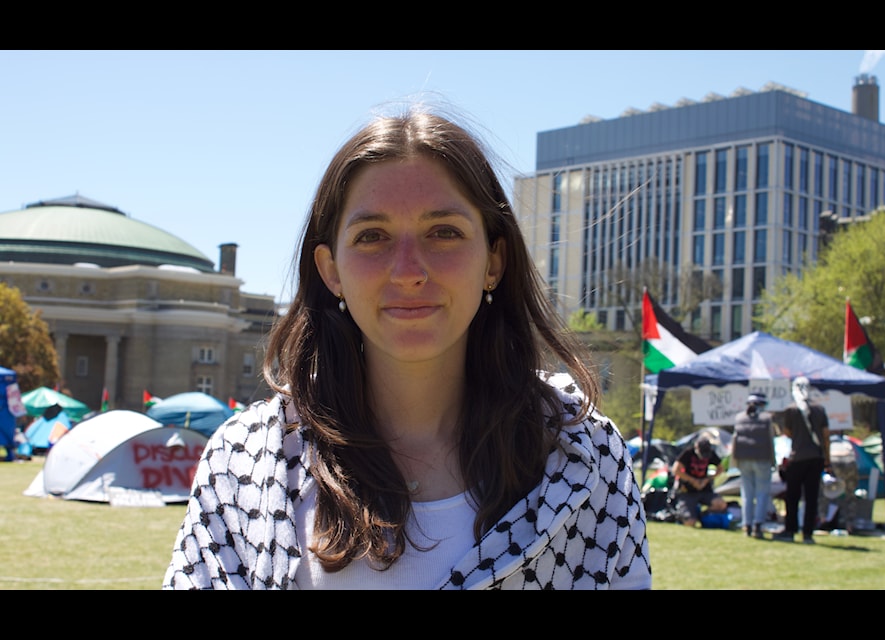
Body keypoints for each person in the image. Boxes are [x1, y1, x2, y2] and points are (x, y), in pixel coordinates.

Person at [162, 106, 652, 590]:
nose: (409, 270)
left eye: (444, 232)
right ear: (331, 270)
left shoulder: (586, 458)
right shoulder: (243, 458)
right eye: (372, 236)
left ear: (494, 262)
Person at [774, 376, 831, 544]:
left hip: (797, 457)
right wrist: (827, 459)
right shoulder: (819, 409)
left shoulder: (791, 410)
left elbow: (787, 432)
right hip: (816, 457)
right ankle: (808, 533)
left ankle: (790, 530)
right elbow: (826, 436)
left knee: (792, 496)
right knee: (811, 497)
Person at [731, 392, 776, 539]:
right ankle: (758, 524)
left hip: (743, 460)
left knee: (747, 494)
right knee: (762, 494)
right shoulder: (767, 418)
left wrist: (734, 461)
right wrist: (773, 461)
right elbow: (770, 441)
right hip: (762, 459)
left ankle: (747, 524)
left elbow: (735, 440)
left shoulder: (739, 418)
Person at [671, 435, 728, 527]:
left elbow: (721, 469)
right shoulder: (688, 453)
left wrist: (707, 479)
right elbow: (675, 470)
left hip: (704, 490)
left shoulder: (710, 453)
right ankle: (686, 515)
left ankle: (701, 516)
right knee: (690, 522)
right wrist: (692, 480)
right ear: (696, 448)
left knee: (721, 504)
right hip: (687, 491)